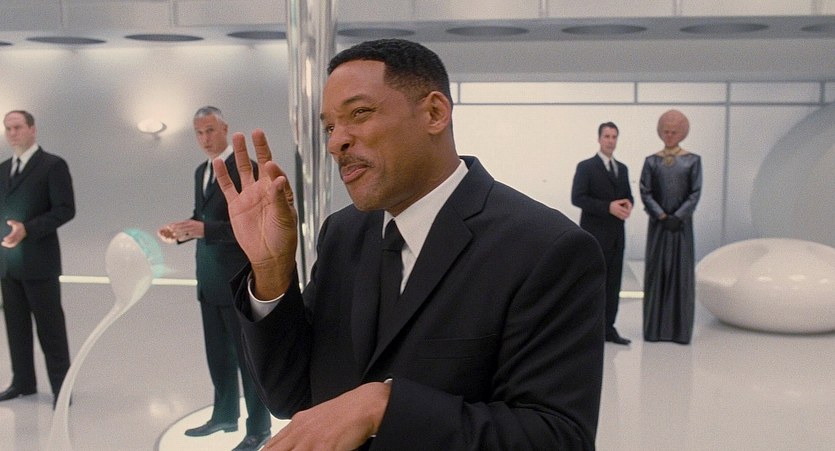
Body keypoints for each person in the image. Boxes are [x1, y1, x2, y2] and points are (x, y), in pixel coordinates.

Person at [215, 39, 606, 450]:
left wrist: (384, 406)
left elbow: (558, 438)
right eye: (330, 127)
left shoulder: (546, 248)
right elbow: (292, 397)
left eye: (359, 113)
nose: (335, 143)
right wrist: (272, 269)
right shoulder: (343, 234)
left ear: (434, 113)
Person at [157, 106, 270, 451]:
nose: (204, 139)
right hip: (209, 280)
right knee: (218, 356)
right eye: (198, 132)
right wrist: (182, 231)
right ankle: (224, 416)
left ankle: (259, 428)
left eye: (209, 130)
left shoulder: (245, 168)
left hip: (237, 280)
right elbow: (202, 217)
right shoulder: (201, 171)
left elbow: (252, 223)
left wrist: (204, 229)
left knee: (249, 360)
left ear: (224, 129)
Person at [0, 110, 75, 407]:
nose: (12, 133)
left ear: (32, 129)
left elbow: (65, 209)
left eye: (17, 127)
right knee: (15, 326)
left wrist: (28, 230)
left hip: (39, 263)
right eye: (8, 128)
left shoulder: (52, 166)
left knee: (50, 329)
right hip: (9, 264)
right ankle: (23, 382)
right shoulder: (3, 169)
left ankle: (61, 389)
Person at [639, 109, 702, 345]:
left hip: (680, 228)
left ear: (682, 133)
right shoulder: (651, 162)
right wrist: (662, 215)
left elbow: (695, 192)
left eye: (674, 132)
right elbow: (645, 191)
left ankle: (679, 331)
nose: (669, 135)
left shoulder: (692, 161)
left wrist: (678, 216)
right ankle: (654, 329)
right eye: (666, 131)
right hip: (659, 227)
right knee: (657, 273)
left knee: (680, 273)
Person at [571, 121, 634, 345]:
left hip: (617, 237)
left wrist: (628, 204)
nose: (610, 141)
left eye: (614, 137)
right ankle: (589, 330)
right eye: (607, 136)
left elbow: (628, 196)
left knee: (613, 285)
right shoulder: (586, 167)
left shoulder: (622, 169)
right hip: (595, 236)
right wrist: (608, 207)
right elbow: (578, 198)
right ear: (599, 139)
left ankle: (609, 328)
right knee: (593, 285)